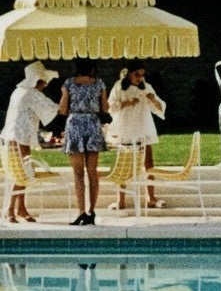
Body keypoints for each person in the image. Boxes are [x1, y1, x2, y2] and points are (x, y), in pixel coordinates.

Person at [1, 60, 61, 223]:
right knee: (22, 174)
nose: (45, 85)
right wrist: (68, 97)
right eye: (44, 82)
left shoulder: (19, 91)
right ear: (39, 81)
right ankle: (10, 209)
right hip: (20, 138)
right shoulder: (32, 93)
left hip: (11, 138)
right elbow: (54, 108)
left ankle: (19, 209)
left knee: (19, 173)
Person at [57, 58, 109, 226]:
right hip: (93, 124)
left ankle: (81, 212)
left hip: (75, 124)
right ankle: (92, 211)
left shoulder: (69, 83)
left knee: (78, 174)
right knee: (92, 171)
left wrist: (65, 93)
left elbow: (63, 110)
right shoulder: (99, 83)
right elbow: (105, 109)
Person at [107, 63, 166, 209]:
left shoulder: (146, 87)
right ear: (129, 74)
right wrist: (127, 102)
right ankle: (120, 200)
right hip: (125, 128)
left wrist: (153, 99)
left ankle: (150, 197)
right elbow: (110, 106)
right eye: (137, 74)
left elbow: (160, 109)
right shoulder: (119, 86)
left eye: (142, 74)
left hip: (142, 127)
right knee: (123, 165)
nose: (140, 78)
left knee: (148, 164)